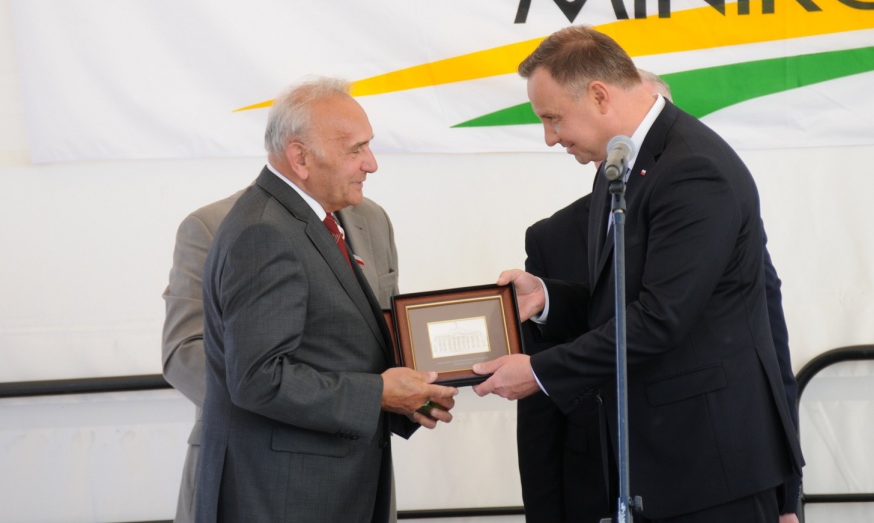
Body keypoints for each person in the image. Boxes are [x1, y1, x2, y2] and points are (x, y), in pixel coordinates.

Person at [473, 26, 803, 522]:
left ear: (599, 95)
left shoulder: (693, 168)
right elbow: (625, 297)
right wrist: (546, 297)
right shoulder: (624, 160)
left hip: (710, 470)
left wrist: (541, 371)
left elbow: (660, 318)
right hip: (658, 468)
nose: (549, 138)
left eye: (553, 118)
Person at [195, 77, 458, 523]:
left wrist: (408, 393)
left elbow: (336, 343)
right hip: (282, 496)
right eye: (355, 149)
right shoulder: (265, 232)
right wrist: (378, 393)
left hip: (320, 486)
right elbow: (258, 379)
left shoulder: (309, 221)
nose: (370, 164)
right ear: (300, 157)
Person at [161, 187, 399, 522]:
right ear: (299, 150)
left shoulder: (372, 219)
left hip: (362, 471)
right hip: (255, 475)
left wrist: (420, 386)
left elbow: (385, 337)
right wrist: (299, 403)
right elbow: (183, 353)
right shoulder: (213, 224)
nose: (370, 163)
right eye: (353, 148)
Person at [516, 69, 674, 523]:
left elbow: (761, 343)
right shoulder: (553, 236)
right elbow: (540, 405)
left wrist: (785, 495)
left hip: (697, 470)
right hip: (593, 485)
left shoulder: (706, 198)